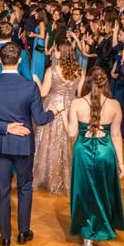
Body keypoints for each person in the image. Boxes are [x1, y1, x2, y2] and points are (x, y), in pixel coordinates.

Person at [0, 43, 60, 246]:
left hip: (0, 146)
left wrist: (4, 127)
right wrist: (54, 113)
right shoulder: (30, 86)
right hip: (23, 146)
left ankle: (5, 237)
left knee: (2, 190)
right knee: (25, 187)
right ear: (20, 61)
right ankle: (23, 232)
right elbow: (39, 118)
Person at [69, 68, 124, 246]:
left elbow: (72, 133)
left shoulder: (76, 103)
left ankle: (87, 234)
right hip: (105, 151)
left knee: (83, 193)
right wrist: (121, 162)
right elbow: (116, 135)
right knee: (103, 193)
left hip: (82, 151)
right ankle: (99, 229)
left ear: (87, 83)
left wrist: (61, 116)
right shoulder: (115, 104)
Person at [33, 43, 82, 196]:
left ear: (61, 53)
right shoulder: (80, 71)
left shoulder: (52, 71)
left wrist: (36, 80)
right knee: (67, 145)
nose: (53, 52)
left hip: (53, 108)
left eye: (56, 50)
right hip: (71, 109)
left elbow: (42, 93)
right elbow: (79, 94)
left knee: (49, 143)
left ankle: (51, 179)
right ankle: (66, 178)